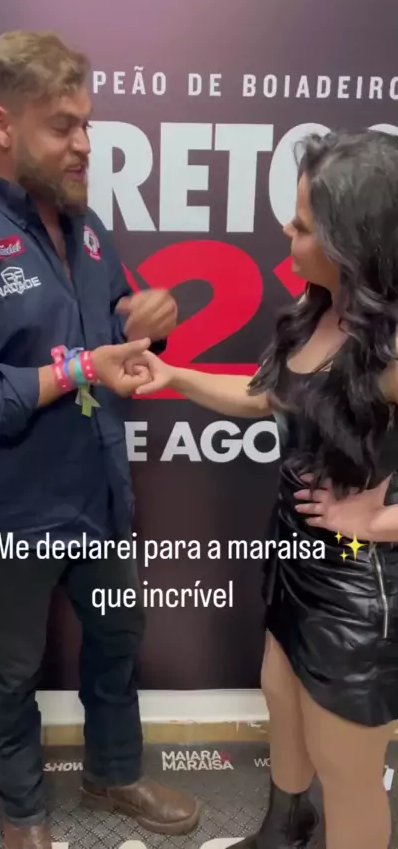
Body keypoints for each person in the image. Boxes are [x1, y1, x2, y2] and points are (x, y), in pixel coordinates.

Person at [0, 31, 200, 849]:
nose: (84, 143)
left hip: (99, 495)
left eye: (87, 124)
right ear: (2, 124)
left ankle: (115, 773)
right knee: (10, 669)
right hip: (9, 509)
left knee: (117, 640)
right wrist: (78, 368)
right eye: (62, 126)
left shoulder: (89, 227)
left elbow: (110, 334)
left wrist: (145, 323)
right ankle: (25, 814)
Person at [136, 128, 398, 849]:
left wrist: (380, 522)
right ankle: (286, 829)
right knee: (281, 698)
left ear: (351, 243)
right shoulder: (320, 309)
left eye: (304, 224)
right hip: (293, 555)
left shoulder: (391, 348)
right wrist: (174, 375)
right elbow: (266, 397)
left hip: (359, 591)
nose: (287, 229)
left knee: (345, 766)